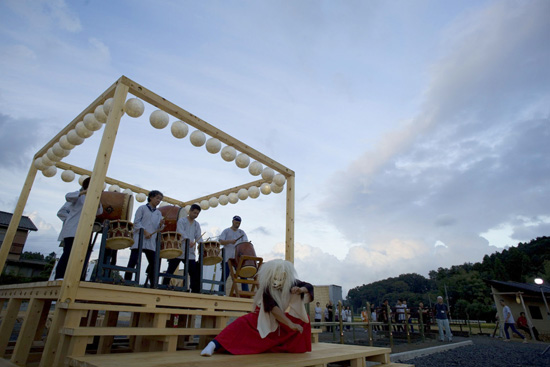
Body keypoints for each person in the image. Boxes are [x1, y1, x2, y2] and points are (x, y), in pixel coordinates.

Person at [200, 259, 313, 356]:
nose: (276, 282)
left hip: (279, 320)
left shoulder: (290, 282)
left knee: (304, 320)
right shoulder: (267, 288)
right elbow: (273, 309)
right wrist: (290, 324)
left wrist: (301, 290)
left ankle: (285, 347)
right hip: (263, 316)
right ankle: (213, 344)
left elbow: (308, 286)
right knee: (241, 324)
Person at [55, 177, 103, 280]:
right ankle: (60, 276)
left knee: (82, 256)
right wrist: (83, 192)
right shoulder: (78, 195)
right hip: (72, 229)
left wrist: (98, 199)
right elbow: (68, 197)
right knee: (68, 253)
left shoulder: (94, 198)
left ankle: (78, 277)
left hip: (85, 231)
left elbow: (99, 212)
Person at [124, 190, 164, 285]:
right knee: (133, 261)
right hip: (139, 238)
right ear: (151, 197)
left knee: (154, 263)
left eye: (160, 199)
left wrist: (161, 225)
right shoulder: (142, 208)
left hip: (151, 241)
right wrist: (144, 232)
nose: (158, 201)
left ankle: (153, 283)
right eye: (157, 198)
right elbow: (137, 222)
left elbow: (158, 228)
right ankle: (127, 281)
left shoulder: (159, 213)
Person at [162, 204, 203, 293]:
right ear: (190, 211)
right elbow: (180, 232)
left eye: (197, 214)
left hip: (190, 252)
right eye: (194, 212)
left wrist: (201, 244)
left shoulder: (197, 224)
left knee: (193, 272)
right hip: (179, 249)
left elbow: (198, 236)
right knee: (171, 269)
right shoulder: (182, 220)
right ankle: (163, 286)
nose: (195, 215)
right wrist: (188, 240)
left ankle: (195, 290)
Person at [218, 215, 249, 292]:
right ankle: (221, 293)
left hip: (238, 258)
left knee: (243, 275)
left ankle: (246, 293)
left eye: (239, 222)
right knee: (225, 275)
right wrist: (230, 241)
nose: (237, 223)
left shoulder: (242, 232)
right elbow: (221, 241)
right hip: (227, 257)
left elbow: (245, 243)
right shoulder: (226, 231)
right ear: (233, 221)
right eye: (236, 222)